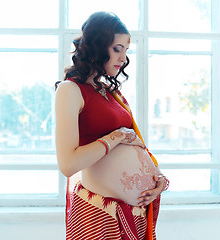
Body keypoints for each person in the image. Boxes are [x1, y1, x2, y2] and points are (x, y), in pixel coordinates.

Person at [55, 12, 169, 240]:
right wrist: (114, 138)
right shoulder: (70, 90)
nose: (123, 58)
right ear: (97, 46)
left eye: (126, 50)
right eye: (117, 49)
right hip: (100, 216)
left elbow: (136, 145)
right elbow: (68, 165)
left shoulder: (111, 92)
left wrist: (158, 180)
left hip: (134, 214)